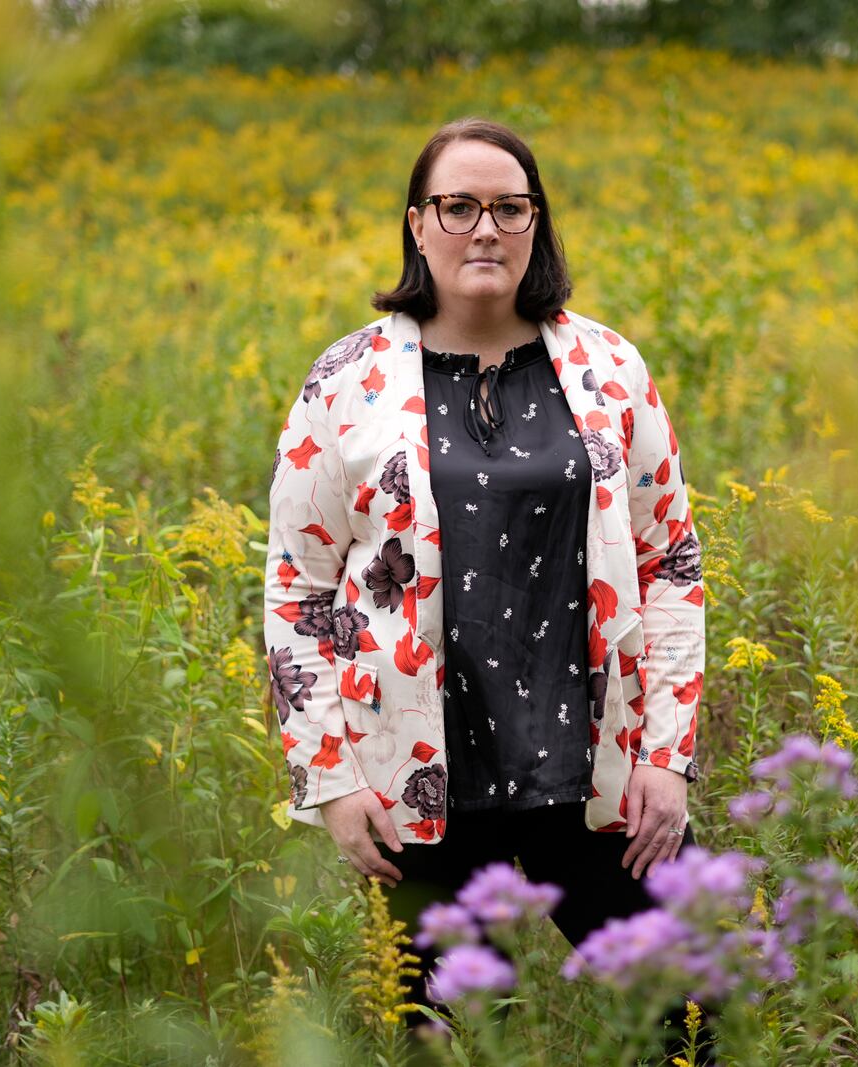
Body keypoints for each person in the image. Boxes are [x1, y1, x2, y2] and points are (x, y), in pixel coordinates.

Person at [263, 117, 711, 1059]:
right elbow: (298, 594)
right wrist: (333, 782)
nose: (485, 230)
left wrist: (667, 757)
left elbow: (671, 561)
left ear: (537, 224)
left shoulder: (609, 367)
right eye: (458, 206)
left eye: (511, 208)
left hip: (603, 779)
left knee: (699, 1026)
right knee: (448, 1044)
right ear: (417, 226)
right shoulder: (346, 380)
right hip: (417, 790)